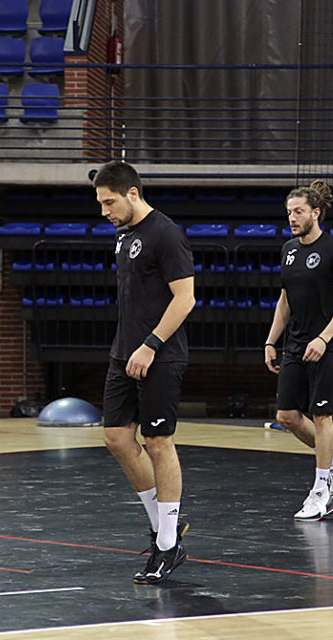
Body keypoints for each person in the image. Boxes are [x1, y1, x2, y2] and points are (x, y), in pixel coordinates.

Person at [93, 160, 195, 584]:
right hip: (125, 353)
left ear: (132, 193)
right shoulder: (124, 235)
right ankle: (164, 525)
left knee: (158, 442)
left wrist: (151, 346)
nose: (104, 212)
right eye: (100, 203)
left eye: (109, 202)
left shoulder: (166, 234)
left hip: (159, 355)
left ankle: (168, 545)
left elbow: (185, 298)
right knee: (116, 436)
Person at [264, 180, 333, 520]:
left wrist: (324, 338)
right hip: (295, 343)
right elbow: (285, 299)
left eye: (299, 211)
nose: (292, 218)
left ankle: (321, 491)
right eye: (289, 212)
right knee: (286, 416)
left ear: (316, 213)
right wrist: (271, 341)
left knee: (321, 416)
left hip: (326, 346)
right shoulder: (288, 249)